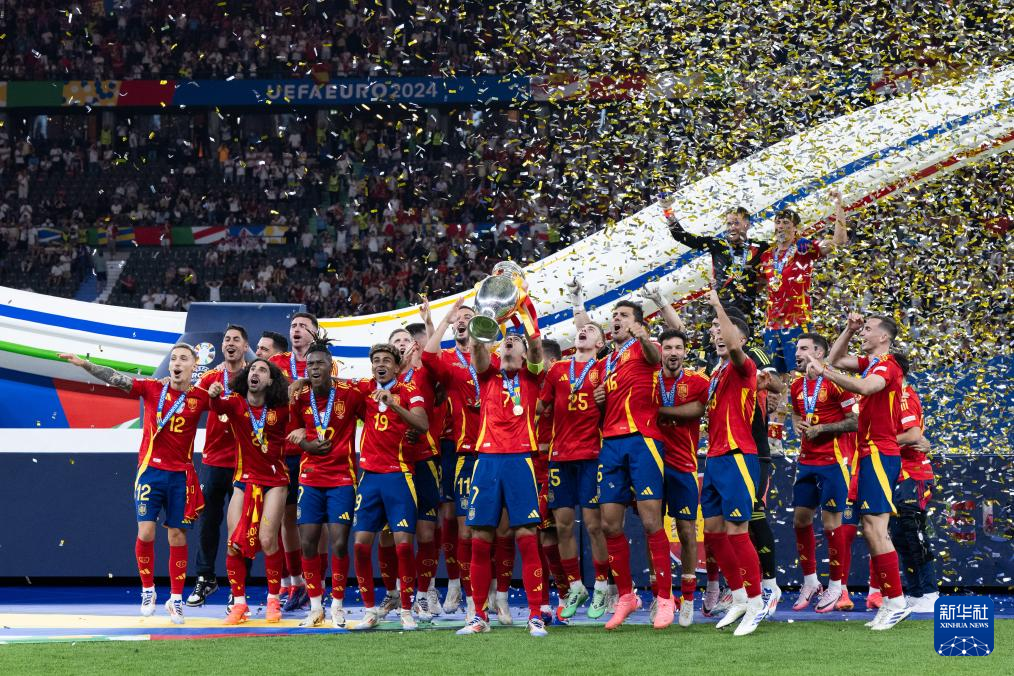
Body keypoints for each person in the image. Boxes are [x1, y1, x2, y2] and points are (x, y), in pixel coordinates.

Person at [60, 345, 210, 624]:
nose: (177, 363)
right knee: (146, 531)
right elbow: (116, 378)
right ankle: (148, 590)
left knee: (177, 536)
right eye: (174, 359)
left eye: (183, 359)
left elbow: (231, 406)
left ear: (194, 366)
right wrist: (84, 364)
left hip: (181, 475)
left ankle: (176, 599)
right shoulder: (153, 388)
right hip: (150, 471)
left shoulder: (200, 397)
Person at [801, 312, 911, 630]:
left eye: (868, 329)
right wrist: (848, 331)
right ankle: (891, 600)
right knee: (871, 528)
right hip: (867, 452)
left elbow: (863, 388)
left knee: (877, 529)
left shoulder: (888, 365)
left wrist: (825, 371)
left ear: (884, 337)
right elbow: (835, 360)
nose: (864, 333)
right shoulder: (871, 363)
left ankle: (896, 602)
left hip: (880, 452)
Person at [455, 304, 549, 638]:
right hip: (487, 460)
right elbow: (479, 351)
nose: (509, 342)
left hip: (521, 460)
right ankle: (479, 616)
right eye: (505, 341)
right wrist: (486, 317)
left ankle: (535, 615)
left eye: (514, 341)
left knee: (526, 537)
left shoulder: (532, 376)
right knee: (480, 538)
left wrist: (525, 310)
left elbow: (536, 347)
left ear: (523, 354)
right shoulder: (488, 374)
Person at [591, 300, 674, 631]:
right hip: (611, 444)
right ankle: (626, 596)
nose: (616, 319)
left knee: (651, 521)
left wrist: (642, 335)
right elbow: (603, 405)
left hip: (643, 440)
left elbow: (656, 360)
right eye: (614, 316)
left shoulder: (645, 347)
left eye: (623, 316)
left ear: (637, 323)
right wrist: (599, 400)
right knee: (609, 525)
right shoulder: (605, 363)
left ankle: (665, 597)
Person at [422, 300, 500, 618]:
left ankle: (495, 590)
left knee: (496, 525)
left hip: (498, 449)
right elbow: (428, 357)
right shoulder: (451, 362)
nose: (461, 321)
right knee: (461, 525)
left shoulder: (494, 359)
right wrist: (441, 319)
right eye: (458, 318)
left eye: (468, 317)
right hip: (462, 450)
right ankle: (462, 589)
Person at [698, 289, 768, 636]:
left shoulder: (745, 368)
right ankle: (739, 597)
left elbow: (735, 347)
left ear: (740, 340)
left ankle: (756, 602)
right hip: (714, 459)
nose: (717, 335)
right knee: (713, 532)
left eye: (723, 331)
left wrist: (717, 306)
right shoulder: (715, 373)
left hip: (738, 455)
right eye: (714, 332)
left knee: (739, 531)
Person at [759, 192, 849, 449]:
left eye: (786, 223)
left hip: (796, 324)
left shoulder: (804, 248)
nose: (781, 227)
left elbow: (839, 242)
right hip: (771, 326)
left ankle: (805, 435)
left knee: (797, 379)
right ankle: (773, 439)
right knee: (774, 380)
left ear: (795, 227)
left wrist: (839, 207)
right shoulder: (767, 256)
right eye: (778, 222)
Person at [351, 343, 429, 631]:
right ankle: (370, 611)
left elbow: (422, 423)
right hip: (370, 477)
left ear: (397, 367)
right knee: (361, 545)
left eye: (386, 360)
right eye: (376, 360)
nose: (380, 364)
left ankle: (406, 610)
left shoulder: (409, 390)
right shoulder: (364, 389)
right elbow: (334, 384)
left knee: (404, 546)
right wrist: (302, 382)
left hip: (400, 475)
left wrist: (394, 403)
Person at [207, 359, 292, 624]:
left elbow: (303, 414)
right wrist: (213, 395)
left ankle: (273, 600)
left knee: (267, 539)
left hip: (275, 481)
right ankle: (239, 604)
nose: (255, 372)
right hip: (244, 480)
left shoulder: (281, 408)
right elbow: (217, 406)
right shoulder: (235, 403)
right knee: (234, 543)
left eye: (262, 370)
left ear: (270, 381)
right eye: (252, 369)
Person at [290, 338, 365, 628]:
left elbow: (372, 415)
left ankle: (337, 605)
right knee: (307, 542)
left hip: (341, 477)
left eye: (319, 363)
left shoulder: (350, 394)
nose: (314, 368)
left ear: (330, 366)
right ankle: (315, 607)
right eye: (309, 364)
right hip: (310, 477)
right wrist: (306, 445)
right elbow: (293, 432)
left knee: (339, 543)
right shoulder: (299, 397)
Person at [538, 323, 611, 620]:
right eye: (582, 329)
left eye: (592, 330)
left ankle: (602, 586)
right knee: (563, 525)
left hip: (592, 455)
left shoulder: (604, 369)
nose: (584, 331)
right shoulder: (557, 369)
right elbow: (540, 406)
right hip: (559, 456)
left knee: (594, 526)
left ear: (600, 343)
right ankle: (575, 586)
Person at [787, 333, 858, 613]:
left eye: (803, 348)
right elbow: (796, 412)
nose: (797, 353)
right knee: (800, 520)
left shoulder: (837, 382)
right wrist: (796, 423)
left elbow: (854, 422)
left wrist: (823, 429)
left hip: (834, 461)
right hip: (807, 460)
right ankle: (810, 581)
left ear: (819, 353)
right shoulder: (796, 385)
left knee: (831, 525)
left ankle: (837, 585)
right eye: (797, 348)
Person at [269, 312, 333, 611]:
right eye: (293, 326)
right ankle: (296, 583)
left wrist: (302, 379)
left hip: (316, 450)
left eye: (303, 326)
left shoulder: (326, 360)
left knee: (316, 522)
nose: (296, 330)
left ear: (315, 332)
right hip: (285, 451)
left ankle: (319, 582)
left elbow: (329, 384)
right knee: (287, 519)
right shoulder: (277, 362)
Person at [188, 325, 249, 608]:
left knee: (241, 527)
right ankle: (205, 577)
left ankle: (239, 587)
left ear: (245, 346)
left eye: (236, 339)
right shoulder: (210, 377)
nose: (230, 343)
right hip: (213, 460)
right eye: (227, 339)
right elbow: (189, 401)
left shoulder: (253, 376)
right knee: (208, 523)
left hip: (244, 461)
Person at [654, 328, 710, 627]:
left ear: (685, 352)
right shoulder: (649, 379)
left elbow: (698, 409)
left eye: (678, 348)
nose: (673, 353)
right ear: (660, 351)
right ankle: (660, 595)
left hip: (683, 464)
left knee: (687, 531)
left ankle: (688, 598)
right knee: (653, 531)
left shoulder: (698, 381)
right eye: (668, 348)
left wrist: (661, 410)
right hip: (651, 464)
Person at [392, 323, 446, 621]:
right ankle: (395, 594)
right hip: (392, 463)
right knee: (393, 535)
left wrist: (431, 324)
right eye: (397, 341)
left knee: (426, 532)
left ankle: (424, 594)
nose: (402, 344)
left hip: (425, 459)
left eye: (407, 340)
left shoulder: (424, 373)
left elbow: (437, 358)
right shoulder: (381, 379)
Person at [891, 354, 938, 614]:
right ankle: (916, 592)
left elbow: (913, 435)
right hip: (896, 473)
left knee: (913, 531)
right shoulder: (889, 398)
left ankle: (929, 592)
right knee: (900, 535)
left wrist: (879, 441)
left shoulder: (905, 397)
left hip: (914, 473)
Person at [664, 204, 770, 314]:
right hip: (720, 310)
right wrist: (667, 211)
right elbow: (682, 236)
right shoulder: (717, 244)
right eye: (729, 224)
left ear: (747, 225)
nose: (732, 227)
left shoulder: (761, 247)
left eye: (736, 223)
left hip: (747, 312)